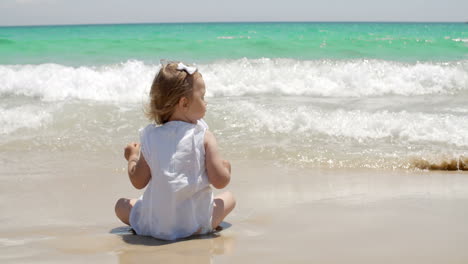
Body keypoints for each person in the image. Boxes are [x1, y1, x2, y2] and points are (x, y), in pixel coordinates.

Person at [114, 62, 236, 240]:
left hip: (155, 226)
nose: (206, 101)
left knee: (120, 206)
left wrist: (132, 157)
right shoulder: (204, 136)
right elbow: (220, 181)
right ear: (184, 103)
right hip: (195, 225)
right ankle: (202, 224)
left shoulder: (151, 136)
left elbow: (138, 181)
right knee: (230, 197)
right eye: (202, 97)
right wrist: (227, 168)